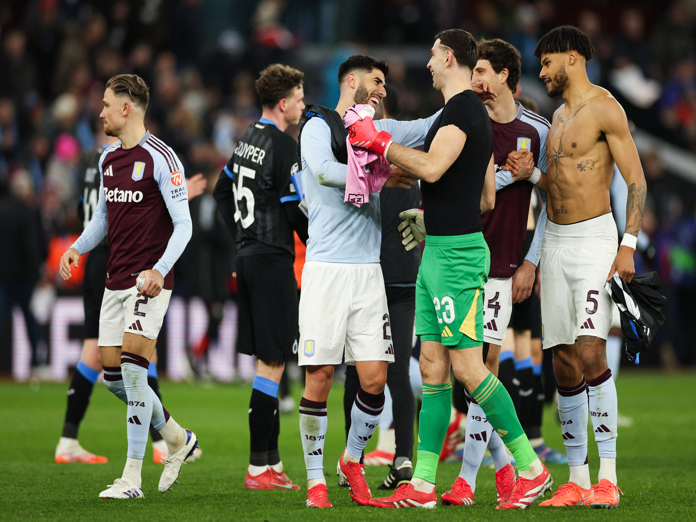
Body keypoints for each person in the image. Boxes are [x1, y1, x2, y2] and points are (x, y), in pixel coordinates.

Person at [348, 29, 552, 510]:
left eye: (435, 56)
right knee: (434, 367)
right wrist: (431, 216)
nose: (428, 65)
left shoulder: (460, 111)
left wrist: (379, 141)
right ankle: (422, 486)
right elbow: (484, 195)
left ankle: (531, 468)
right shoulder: (465, 114)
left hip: (456, 257)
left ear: (452, 59)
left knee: (467, 365)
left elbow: (435, 168)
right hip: (441, 249)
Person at [507, 26, 646, 509]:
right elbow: (557, 188)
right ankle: (577, 480)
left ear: (571, 57)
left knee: (591, 354)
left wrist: (627, 244)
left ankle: (607, 478)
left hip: (594, 242)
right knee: (563, 364)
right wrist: (534, 176)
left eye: (546, 63)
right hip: (557, 245)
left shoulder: (606, 108)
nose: (541, 72)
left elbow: (636, 179)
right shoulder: (560, 117)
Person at [296, 54, 440, 508]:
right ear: (351, 81)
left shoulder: (377, 131)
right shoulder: (319, 124)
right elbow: (321, 170)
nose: (382, 90)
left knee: (375, 380)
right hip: (325, 269)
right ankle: (316, 480)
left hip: (368, 273)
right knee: (319, 377)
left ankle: (351, 461)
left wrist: (466, 99)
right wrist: (378, 176)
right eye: (376, 82)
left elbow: (422, 128)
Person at [59, 74, 199, 499]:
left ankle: (131, 478)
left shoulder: (162, 157)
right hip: (113, 280)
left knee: (135, 375)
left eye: (105, 104)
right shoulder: (106, 160)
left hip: (148, 283)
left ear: (127, 108)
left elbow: (184, 225)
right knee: (113, 378)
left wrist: (158, 270)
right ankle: (176, 436)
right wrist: (76, 248)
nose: (99, 112)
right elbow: (103, 219)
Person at [440, 38, 558, 507]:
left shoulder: (538, 129)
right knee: (461, 372)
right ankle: (509, 468)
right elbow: (466, 192)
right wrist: (514, 175)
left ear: (505, 75)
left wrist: (533, 259)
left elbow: (552, 196)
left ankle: (470, 480)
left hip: (501, 265)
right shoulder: (467, 124)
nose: (475, 81)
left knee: (483, 366)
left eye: (483, 71)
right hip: (458, 257)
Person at [213, 63, 308, 491]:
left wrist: (241, 238)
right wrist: (319, 243)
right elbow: (292, 211)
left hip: (250, 257)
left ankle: (270, 464)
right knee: (273, 364)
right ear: (284, 103)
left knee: (266, 365)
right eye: (300, 97)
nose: (304, 104)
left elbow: (221, 191)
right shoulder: (284, 147)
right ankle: (258, 468)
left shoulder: (247, 138)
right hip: (272, 261)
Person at [342, 85, 419, 490]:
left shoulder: (355, 161)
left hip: (368, 276)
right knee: (397, 372)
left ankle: (350, 460)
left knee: (356, 372)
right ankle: (403, 456)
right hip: (404, 274)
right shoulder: (408, 161)